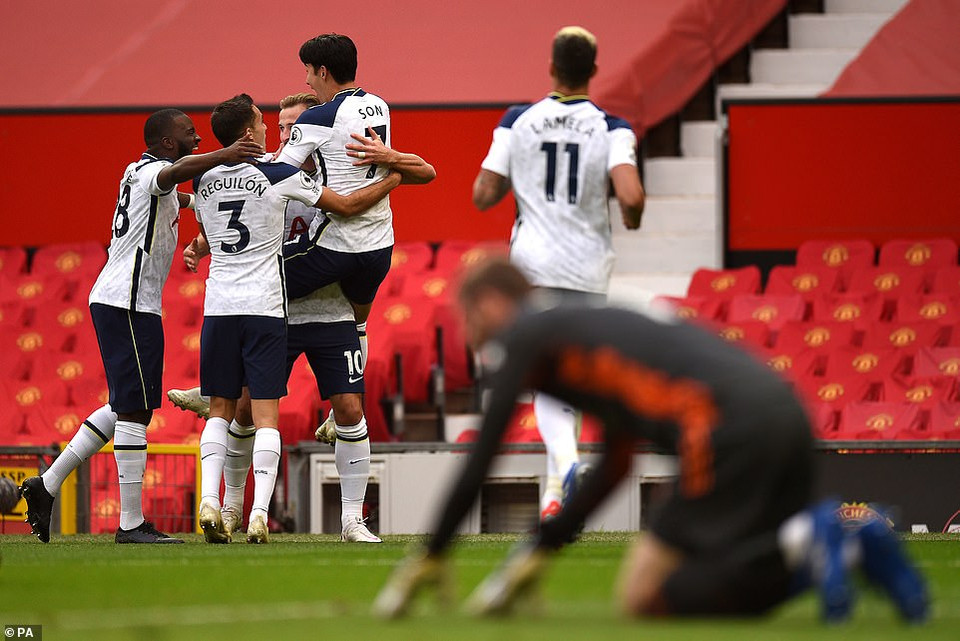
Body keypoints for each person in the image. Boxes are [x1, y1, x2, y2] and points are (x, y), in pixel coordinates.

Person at [373, 260, 929, 623]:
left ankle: (826, 540)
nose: (467, 334)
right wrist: (542, 547)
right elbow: (616, 462)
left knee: (645, 597)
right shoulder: (587, 331)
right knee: (739, 568)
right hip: (784, 413)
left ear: (491, 304)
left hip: (724, 428)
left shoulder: (528, 333)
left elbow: (484, 455)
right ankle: (838, 543)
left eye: (465, 318)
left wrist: (433, 551)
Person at [18, 109, 264, 544]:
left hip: (132, 304)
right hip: (126, 303)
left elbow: (190, 196)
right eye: (189, 133)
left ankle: (47, 484)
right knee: (136, 409)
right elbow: (176, 175)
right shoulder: (152, 171)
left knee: (126, 405)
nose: (197, 137)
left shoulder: (150, 177)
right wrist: (226, 153)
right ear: (167, 143)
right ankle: (130, 524)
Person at [171, 92, 381, 543]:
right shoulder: (275, 172)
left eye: (295, 128)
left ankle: (351, 521)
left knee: (348, 407)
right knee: (247, 410)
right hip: (274, 310)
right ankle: (233, 509)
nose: (286, 135)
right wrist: (202, 242)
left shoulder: (339, 173)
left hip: (324, 312)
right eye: (280, 127)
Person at [471, 26, 646, 520]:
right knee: (568, 373)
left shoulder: (518, 120)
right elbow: (630, 198)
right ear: (593, 70)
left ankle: (564, 467)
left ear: (551, 68)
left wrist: (514, 182)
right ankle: (555, 493)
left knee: (544, 376)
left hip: (533, 265)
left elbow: (483, 194)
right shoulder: (612, 127)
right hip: (587, 267)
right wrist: (630, 217)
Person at [276, 33, 436, 377]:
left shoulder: (317, 118)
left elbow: (279, 172)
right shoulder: (379, 105)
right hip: (380, 245)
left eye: (307, 71)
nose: (305, 80)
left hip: (336, 246)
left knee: (258, 281)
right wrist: (393, 172)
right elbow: (412, 171)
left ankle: (221, 391)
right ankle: (344, 411)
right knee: (358, 324)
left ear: (322, 71)